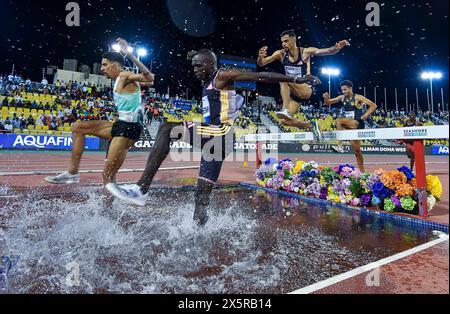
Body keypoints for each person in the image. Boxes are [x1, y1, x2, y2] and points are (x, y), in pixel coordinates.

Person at [109, 48, 321, 225]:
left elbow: (261, 76)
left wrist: (296, 78)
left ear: (211, 65)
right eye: (193, 66)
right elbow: (200, 60)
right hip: (216, 140)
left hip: (221, 133)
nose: (195, 70)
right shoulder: (208, 77)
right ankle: (198, 231)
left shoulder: (222, 76)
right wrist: (193, 55)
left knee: (166, 129)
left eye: (199, 66)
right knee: (201, 194)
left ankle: (141, 188)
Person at [45, 38, 155, 193]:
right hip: (120, 124)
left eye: (105, 65)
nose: (102, 69)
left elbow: (150, 78)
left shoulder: (124, 75)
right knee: (78, 127)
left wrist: (129, 55)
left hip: (128, 129)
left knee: (108, 177)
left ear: (115, 65)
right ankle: (72, 173)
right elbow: (148, 82)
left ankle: (107, 212)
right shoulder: (120, 79)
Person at [257, 29, 349, 131]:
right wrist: (260, 57)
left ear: (293, 40)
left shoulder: (305, 52)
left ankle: (285, 109)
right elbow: (262, 63)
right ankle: (310, 125)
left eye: (286, 41)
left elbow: (328, 51)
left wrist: (336, 48)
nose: (283, 44)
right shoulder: (280, 54)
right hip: (294, 93)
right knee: (284, 121)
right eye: (282, 41)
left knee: (283, 78)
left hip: (305, 89)